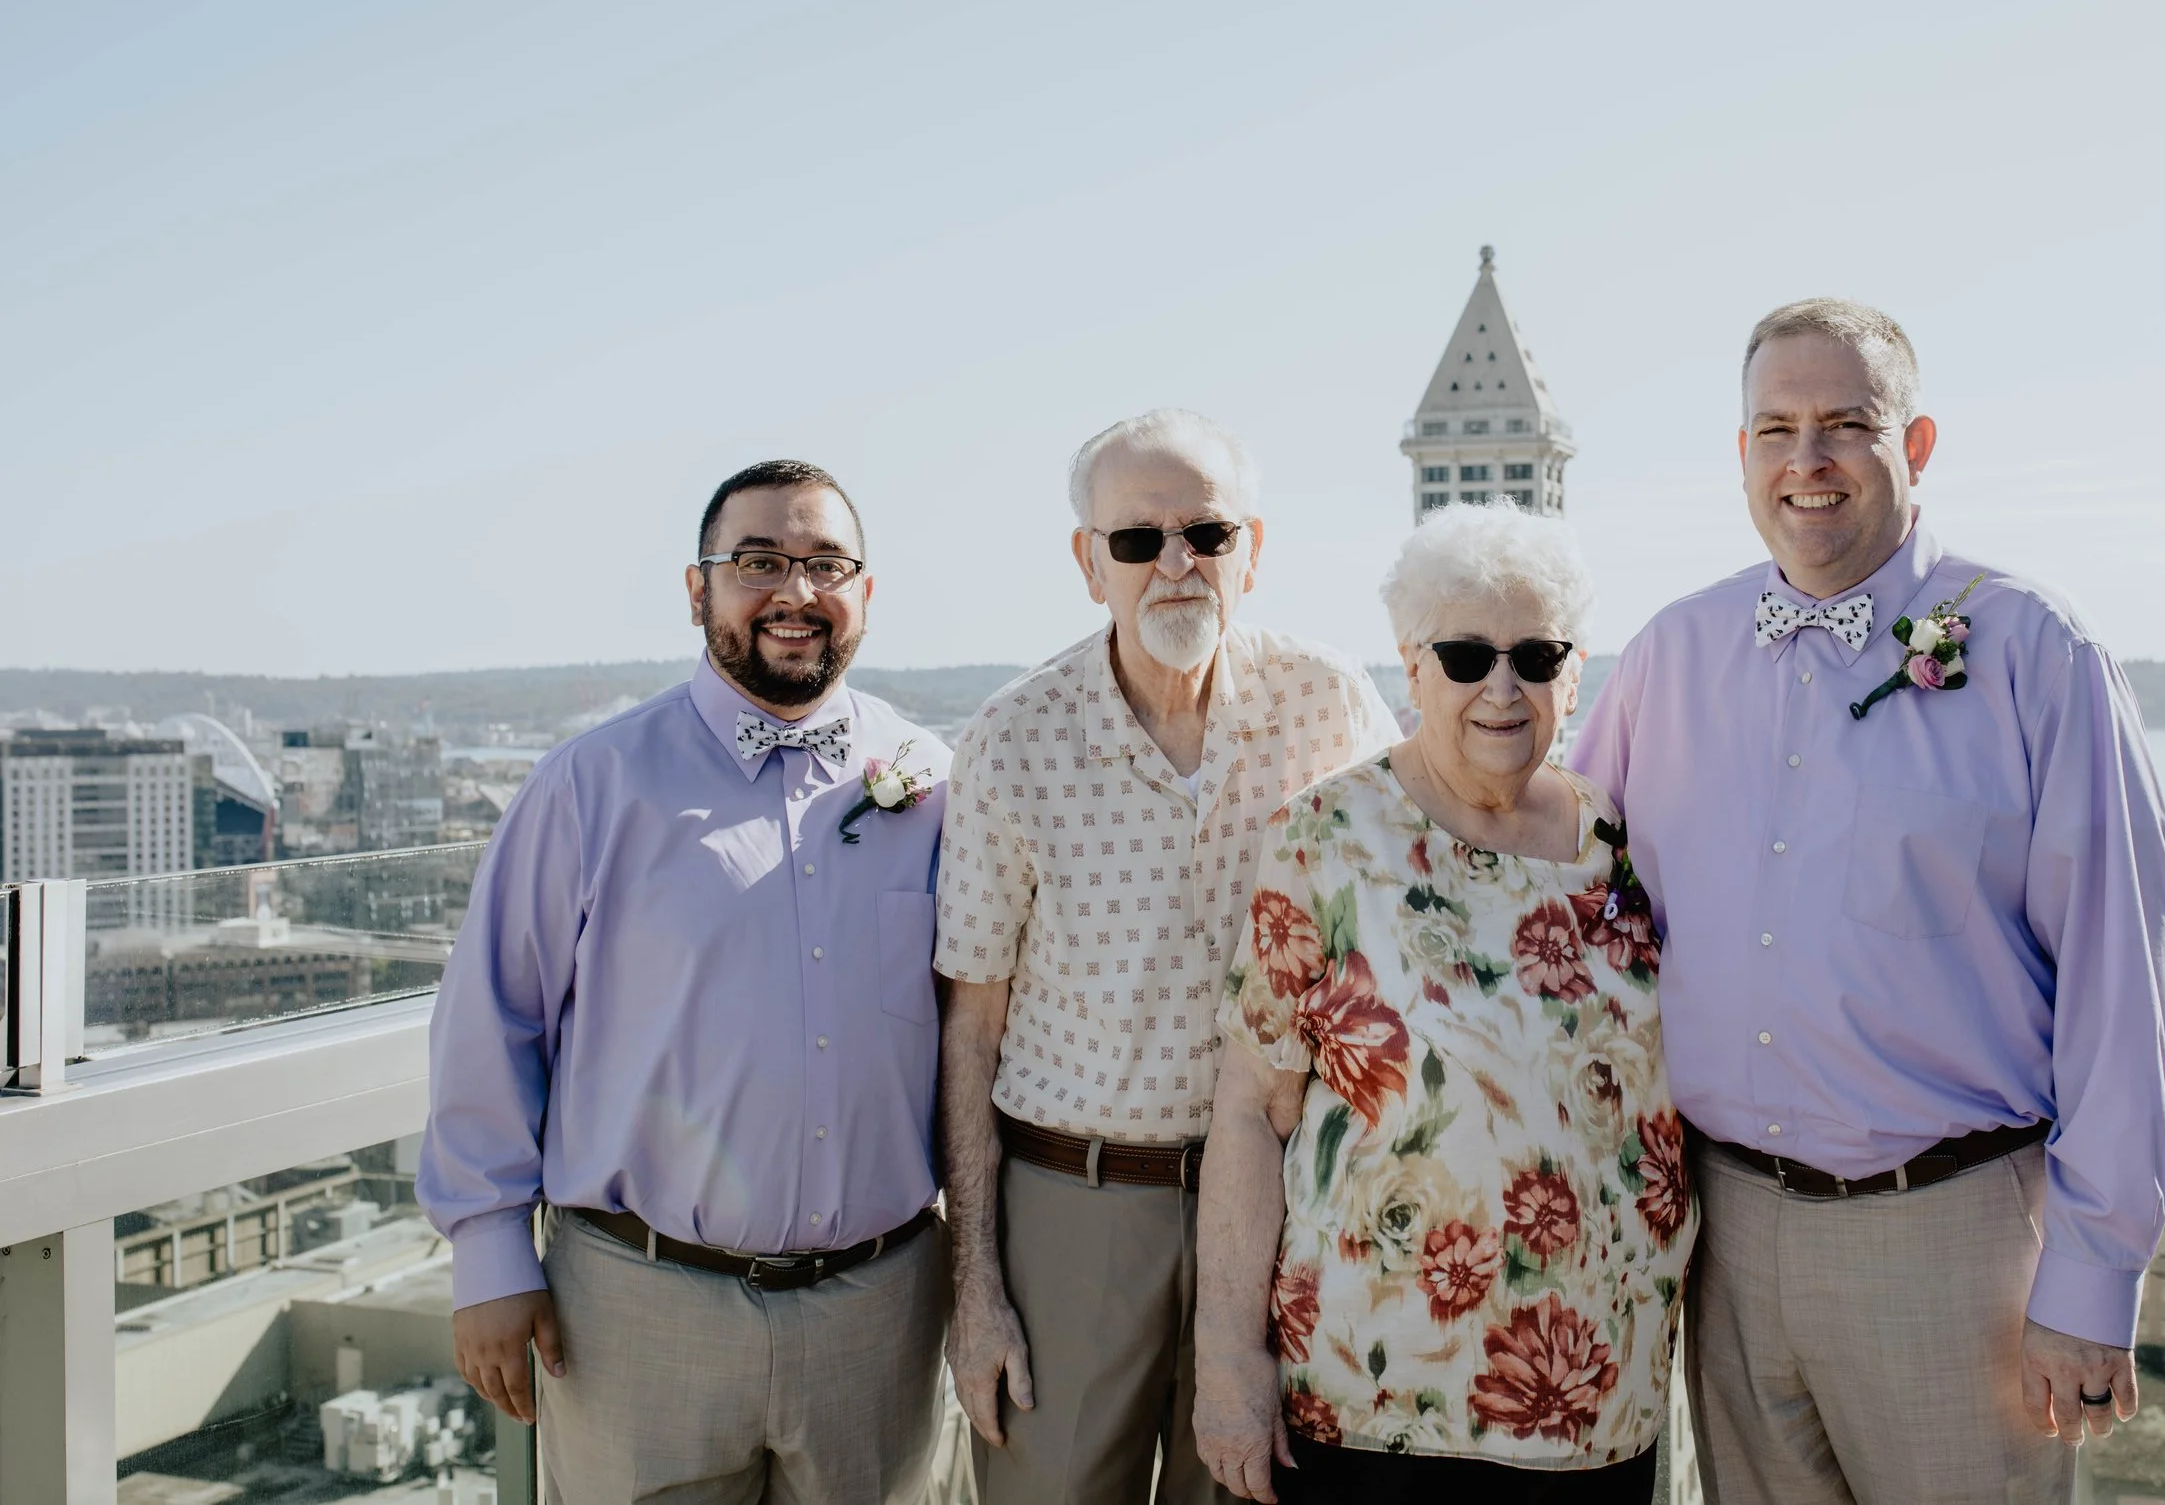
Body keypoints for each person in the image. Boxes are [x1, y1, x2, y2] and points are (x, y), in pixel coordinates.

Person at [1569, 299, 2165, 1504]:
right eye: (1775, 428)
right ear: (1739, 452)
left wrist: (2093, 1280)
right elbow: (1570, 901)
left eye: (1846, 423)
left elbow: (2124, 983)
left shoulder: (2032, 650)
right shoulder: (1667, 655)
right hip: (1725, 1237)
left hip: (1954, 1248)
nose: (1807, 460)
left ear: (1917, 444)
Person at [418, 459, 954, 1505]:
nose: (793, 591)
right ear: (697, 587)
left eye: (824, 563)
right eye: (757, 561)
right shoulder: (592, 782)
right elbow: (495, 1014)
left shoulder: (932, 778)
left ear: (866, 592)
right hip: (636, 1310)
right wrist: (489, 1252)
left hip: (880, 1313)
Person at [935, 409, 1403, 1505]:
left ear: (1254, 548)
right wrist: (977, 1290)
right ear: (1088, 563)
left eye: (1207, 532)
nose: (1176, 563)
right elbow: (971, 1028)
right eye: (1138, 540)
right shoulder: (1013, 737)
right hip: (1074, 1208)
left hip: (1283, 1207)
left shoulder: (1328, 702)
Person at [1195, 501, 1694, 1505]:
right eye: (1465, 655)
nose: (1501, 688)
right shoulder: (1325, 837)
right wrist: (1225, 1356)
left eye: (1536, 655)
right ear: (1411, 664)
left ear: (1576, 668)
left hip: (1600, 1407)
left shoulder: (1630, 841)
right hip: (1371, 1408)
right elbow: (1251, 1109)